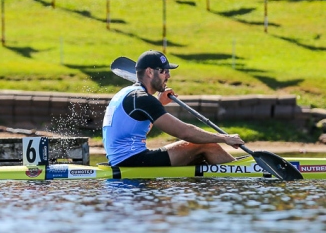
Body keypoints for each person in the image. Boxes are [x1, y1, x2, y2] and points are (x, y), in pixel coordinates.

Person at [103, 50, 243, 167]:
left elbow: (136, 129)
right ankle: (241, 174)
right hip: (131, 161)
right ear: (150, 72)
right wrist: (224, 138)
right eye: (164, 71)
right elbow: (185, 132)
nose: (168, 75)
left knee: (197, 158)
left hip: (122, 159)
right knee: (207, 145)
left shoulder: (128, 93)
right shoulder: (143, 99)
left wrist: (160, 103)